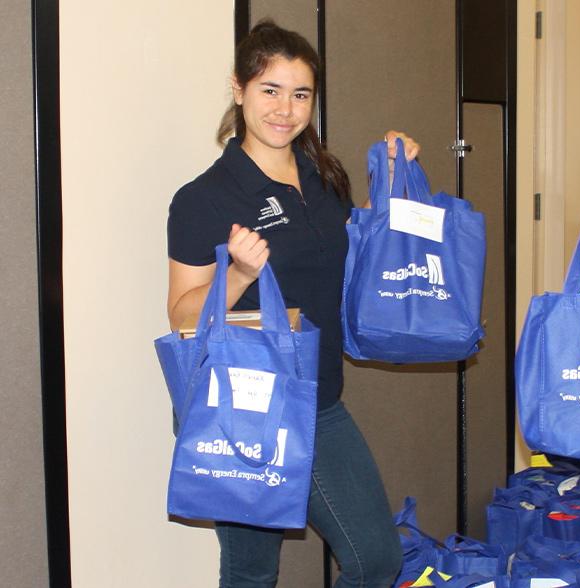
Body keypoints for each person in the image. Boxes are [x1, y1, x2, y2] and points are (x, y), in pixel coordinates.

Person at [166, 20, 416, 588]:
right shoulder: (203, 198)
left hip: (320, 397)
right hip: (243, 408)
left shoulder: (324, 176)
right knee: (252, 572)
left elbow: (354, 259)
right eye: (270, 90)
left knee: (376, 558)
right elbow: (181, 313)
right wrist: (237, 274)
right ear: (239, 89)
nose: (286, 109)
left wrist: (394, 184)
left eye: (300, 93)